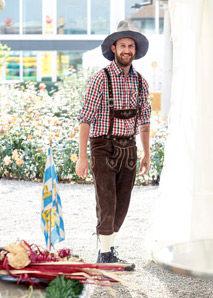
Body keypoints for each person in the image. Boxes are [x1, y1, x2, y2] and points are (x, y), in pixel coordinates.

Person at [76, 20, 151, 269]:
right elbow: (85, 118)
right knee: (106, 199)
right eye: (122, 45)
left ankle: (106, 250)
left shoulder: (141, 82)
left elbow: (144, 121)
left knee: (123, 202)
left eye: (131, 45)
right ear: (113, 48)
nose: (127, 49)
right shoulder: (101, 78)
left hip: (128, 147)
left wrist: (146, 153)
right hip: (102, 146)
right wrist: (82, 157)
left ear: (135, 50)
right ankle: (105, 255)